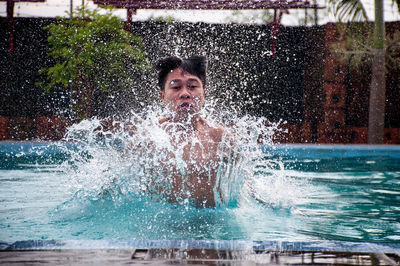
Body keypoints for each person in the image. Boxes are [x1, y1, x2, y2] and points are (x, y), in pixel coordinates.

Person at [152, 55, 232, 207]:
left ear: (204, 93)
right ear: (162, 96)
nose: (185, 93)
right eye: (176, 87)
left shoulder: (220, 138)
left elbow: (244, 182)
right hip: (165, 224)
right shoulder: (150, 136)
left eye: (193, 86)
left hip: (211, 222)